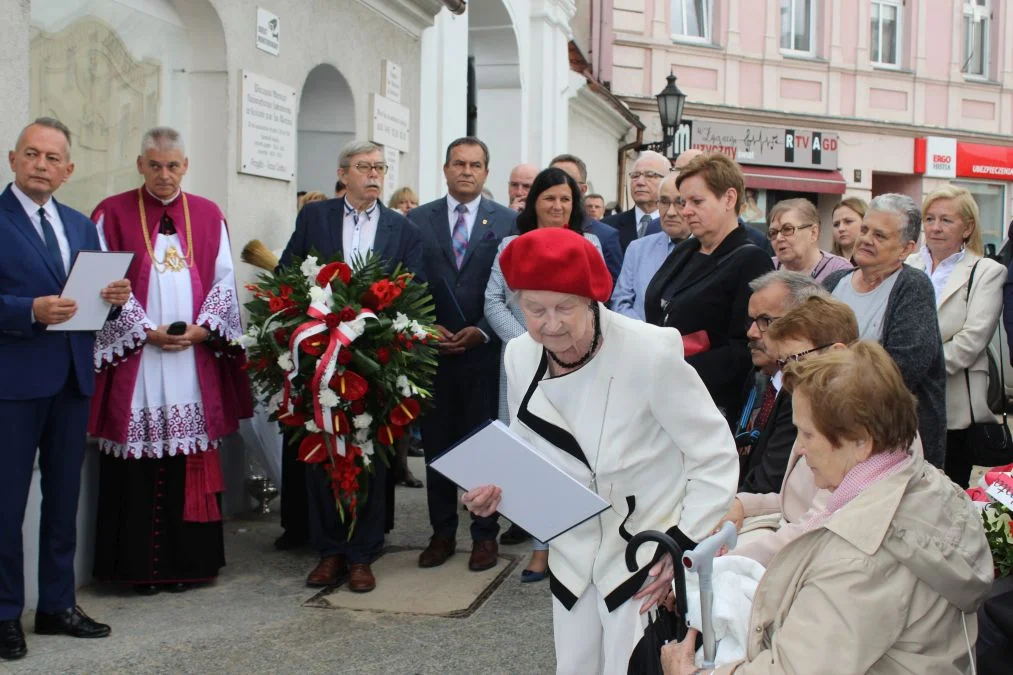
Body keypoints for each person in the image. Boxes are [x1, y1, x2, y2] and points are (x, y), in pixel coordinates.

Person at [464, 227, 738, 674]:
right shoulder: (518, 354)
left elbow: (715, 455)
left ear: (592, 299)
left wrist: (680, 544)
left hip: (645, 552)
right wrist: (492, 489)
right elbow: (526, 446)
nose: (550, 323)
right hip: (572, 550)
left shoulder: (650, 351)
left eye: (564, 308)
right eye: (535, 309)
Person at [663, 342, 993, 675]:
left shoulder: (858, 558)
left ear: (861, 441)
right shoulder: (923, 482)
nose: (801, 449)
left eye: (807, 434)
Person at [89, 126, 252, 595]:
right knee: (133, 468)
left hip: (190, 362)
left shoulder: (206, 213)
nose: (165, 175)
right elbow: (103, 281)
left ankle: (189, 564)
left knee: (187, 461)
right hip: (138, 361)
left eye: (173, 165)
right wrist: (144, 331)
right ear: (140, 165)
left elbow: (224, 280)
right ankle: (132, 569)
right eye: (155, 165)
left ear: (186, 166)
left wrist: (206, 328)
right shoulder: (112, 212)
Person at [0, 118, 130, 660]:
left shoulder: (81, 224)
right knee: (5, 504)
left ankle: (57, 605)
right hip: (13, 382)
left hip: (73, 378)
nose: (41, 165)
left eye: (53, 158)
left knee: (62, 499)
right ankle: (6, 612)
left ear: (68, 169)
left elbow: (91, 304)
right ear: (13, 159)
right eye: (32, 154)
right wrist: (28, 310)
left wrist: (114, 296)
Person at [278, 140, 425, 593]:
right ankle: (329, 551)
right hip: (323, 355)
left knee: (371, 455)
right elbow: (288, 273)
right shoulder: (315, 219)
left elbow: (413, 290)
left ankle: (363, 553)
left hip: (377, 355)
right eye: (364, 167)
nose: (374, 174)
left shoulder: (403, 229)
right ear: (343, 174)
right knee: (325, 449)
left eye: (380, 166)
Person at [484, 167, 605, 580]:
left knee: (571, 452)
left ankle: (574, 545)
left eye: (565, 199)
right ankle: (540, 548)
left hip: (575, 362)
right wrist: (530, 342)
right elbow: (493, 301)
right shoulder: (512, 245)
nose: (557, 206)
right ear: (534, 201)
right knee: (527, 453)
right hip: (521, 364)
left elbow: (597, 302)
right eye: (549, 197)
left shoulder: (588, 244)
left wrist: (561, 341)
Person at [408, 137, 517, 572]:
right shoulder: (418, 220)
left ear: (486, 172)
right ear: (445, 168)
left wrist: (486, 331)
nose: (466, 170)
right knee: (436, 446)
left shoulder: (507, 221)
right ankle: (441, 532)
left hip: (482, 354)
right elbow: (409, 281)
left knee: (484, 446)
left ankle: (484, 535)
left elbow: (512, 294)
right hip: (433, 354)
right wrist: (422, 326)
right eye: (459, 163)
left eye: (475, 164)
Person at [725, 295, 858, 566]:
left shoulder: (853, 424)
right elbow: (795, 501)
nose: (785, 377)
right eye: (782, 363)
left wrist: (719, 565)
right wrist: (743, 503)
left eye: (794, 360)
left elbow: (816, 523)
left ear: (836, 352)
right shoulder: (818, 405)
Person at [644, 153, 774, 416]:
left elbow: (746, 351)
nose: (685, 210)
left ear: (729, 198)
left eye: (696, 201)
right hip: (663, 395)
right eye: (684, 201)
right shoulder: (686, 250)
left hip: (709, 406)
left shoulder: (751, 261)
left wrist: (678, 369)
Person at [824, 193, 947, 468]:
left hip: (890, 440)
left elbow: (903, 368)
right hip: (832, 427)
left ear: (906, 249)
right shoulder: (834, 282)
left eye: (880, 235)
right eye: (865, 230)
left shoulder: (913, 287)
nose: (866, 239)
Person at [906, 185, 1007, 487]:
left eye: (946, 220)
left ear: (968, 227)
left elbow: (971, 341)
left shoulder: (985, 271)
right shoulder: (907, 265)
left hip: (954, 411)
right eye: (930, 219)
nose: (935, 228)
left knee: (945, 493)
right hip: (903, 405)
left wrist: (912, 368)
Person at [735, 271, 827, 496]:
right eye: (752, 320)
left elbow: (770, 484)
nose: (752, 332)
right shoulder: (759, 377)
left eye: (765, 321)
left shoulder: (809, 392)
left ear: (804, 325)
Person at [611, 172, 690, 321]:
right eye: (664, 202)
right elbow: (620, 302)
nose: (671, 212)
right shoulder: (637, 249)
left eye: (680, 203)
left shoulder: (706, 249)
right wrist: (646, 334)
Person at [549, 154, 623, 283]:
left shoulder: (604, 236)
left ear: (583, 189)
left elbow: (613, 290)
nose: (559, 185)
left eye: (567, 180)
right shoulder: (526, 227)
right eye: (553, 179)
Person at [769, 198, 852, 282]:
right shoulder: (765, 267)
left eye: (787, 229)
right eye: (773, 232)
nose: (778, 238)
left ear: (813, 233)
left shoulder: (838, 270)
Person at [603, 150, 669, 252]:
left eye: (650, 175)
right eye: (635, 175)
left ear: (666, 181)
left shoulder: (677, 227)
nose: (640, 182)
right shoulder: (607, 226)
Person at [830, 196, 866, 262]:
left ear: (865, 221)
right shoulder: (826, 264)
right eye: (836, 224)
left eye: (848, 221)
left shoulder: (879, 262)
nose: (841, 229)